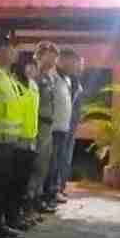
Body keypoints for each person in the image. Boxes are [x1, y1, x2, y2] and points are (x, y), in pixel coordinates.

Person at [0, 31, 28, 236]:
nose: (13, 53)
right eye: (9, 48)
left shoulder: (7, 76)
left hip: (10, 140)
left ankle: (0, 223)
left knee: (4, 186)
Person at [29, 41, 60, 214]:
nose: (54, 60)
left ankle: (38, 198)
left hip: (48, 126)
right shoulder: (35, 75)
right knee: (36, 164)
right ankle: (30, 201)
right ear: (40, 55)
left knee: (44, 165)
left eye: (55, 57)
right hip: (38, 124)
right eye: (51, 55)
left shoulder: (50, 77)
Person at [12, 50, 42, 227]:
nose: (31, 69)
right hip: (17, 141)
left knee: (25, 181)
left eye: (34, 66)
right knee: (15, 182)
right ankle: (13, 216)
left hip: (31, 139)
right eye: (28, 65)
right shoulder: (15, 85)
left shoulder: (33, 86)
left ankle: (21, 213)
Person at [49, 48, 81, 200]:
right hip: (53, 128)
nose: (75, 67)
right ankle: (49, 193)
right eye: (73, 63)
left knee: (59, 161)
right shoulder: (52, 77)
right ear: (63, 60)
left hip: (64, 127)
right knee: (51, 162)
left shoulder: (67, 79)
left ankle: (55, 190)